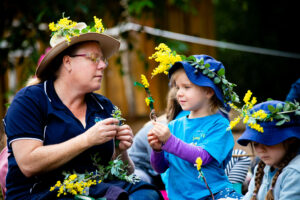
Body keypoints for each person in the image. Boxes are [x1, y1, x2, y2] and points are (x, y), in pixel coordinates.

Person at [3, 16, 162, 200]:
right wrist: (87, 139)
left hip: (95, 189)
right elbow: (28, 164)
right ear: (67, 62)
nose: (102, 65)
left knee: (147, 194)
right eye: (94, 58)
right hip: (42, 193)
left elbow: (123, 173)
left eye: (103, 60)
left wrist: (121, 151)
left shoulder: (103, 106)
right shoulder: (30, 100)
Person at [148, 55, 243, 200]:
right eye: (177, 87)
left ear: (209, 91)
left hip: (214, 194)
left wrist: (169, 141)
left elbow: (202, 157)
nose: (179, 93)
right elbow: (159, 168)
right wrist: (157, 150)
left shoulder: (219, 125)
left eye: (187, 87)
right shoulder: (174, 126)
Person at [237, 100, 300, 200]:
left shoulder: (295, 173)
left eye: (268, 142)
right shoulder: (261, 168)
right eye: (256, 143)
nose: (261, 149)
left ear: (290, 139)